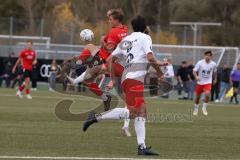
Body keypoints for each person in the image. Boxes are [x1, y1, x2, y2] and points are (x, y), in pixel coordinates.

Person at [82, 16, 167, 156]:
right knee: (135, 112)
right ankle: (96, 117)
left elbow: (110, 60)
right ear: (145, 26)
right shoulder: (145, 38)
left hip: (128, 78)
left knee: (142, 112)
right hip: (134, 80)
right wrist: (160, 73)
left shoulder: (126, 40)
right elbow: (150, 58)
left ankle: (142, 146)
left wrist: (114, 78)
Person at [66, 9, 128, 111]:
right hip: (117, 61)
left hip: (108, 59)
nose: (109, 21)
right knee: (88, 80)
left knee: (90, 48)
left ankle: (77, 67)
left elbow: (110, 48)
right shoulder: (124, 29)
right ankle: (105, 98)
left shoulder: (114, 32)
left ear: (117, 20)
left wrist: (103, 44)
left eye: (111, 19)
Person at [192, 51, 217, 116]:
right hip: (200, 82)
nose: (207, 57)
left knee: (207, 94)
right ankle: (196, 109)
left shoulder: (213, 64)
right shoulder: (200, 62)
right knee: (197, 98)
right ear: (204, 56)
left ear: (211, 56)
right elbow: (194, 71)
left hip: (208, 82)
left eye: (209, 55)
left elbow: (215, 72)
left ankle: (204, 108)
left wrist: (215, 79)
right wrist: (196, 76)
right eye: (206, 55)